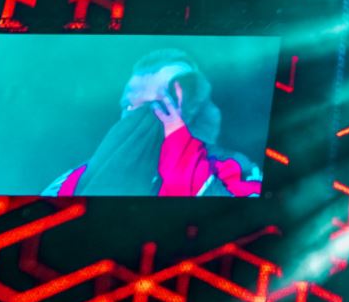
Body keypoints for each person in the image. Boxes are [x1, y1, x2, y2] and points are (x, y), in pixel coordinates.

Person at [44, 49, 263, 197]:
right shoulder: (76, 179)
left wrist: (179, 145)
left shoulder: (232, 166)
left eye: (164, 103)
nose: (146, 115)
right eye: (131, 106)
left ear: (192, 106)